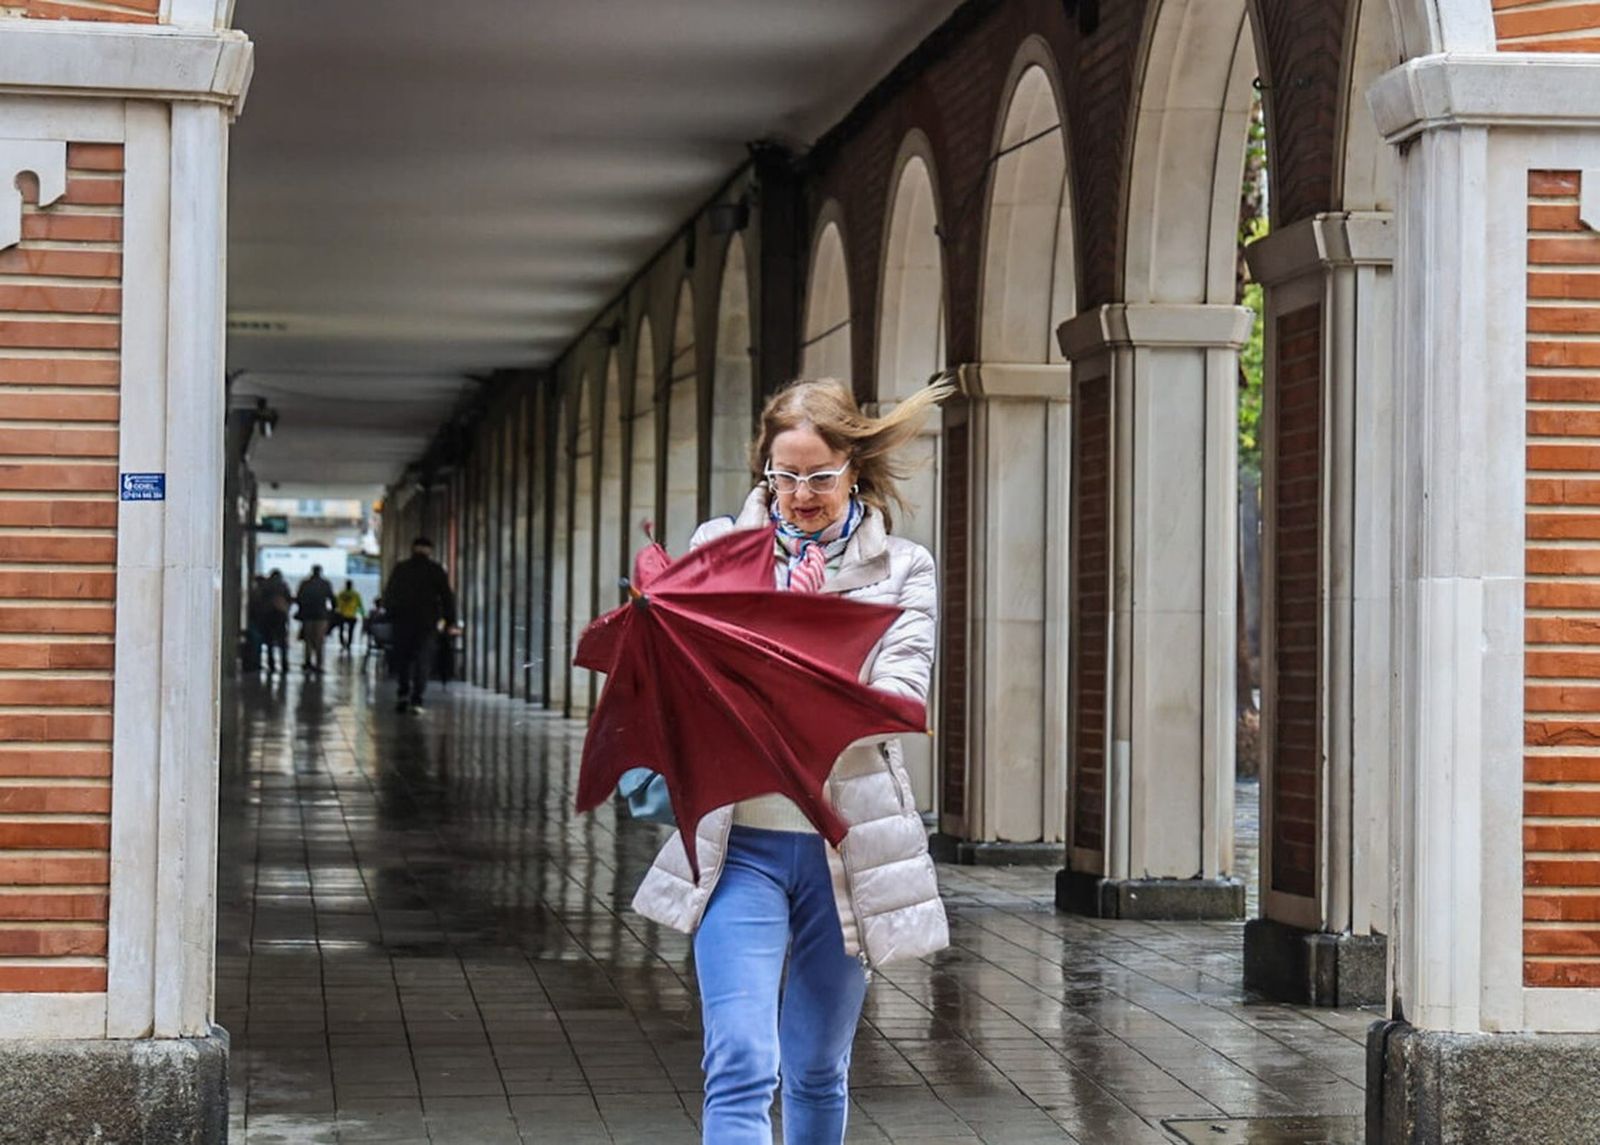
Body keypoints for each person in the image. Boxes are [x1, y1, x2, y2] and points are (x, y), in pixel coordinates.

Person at [630, 377, 951, 1144]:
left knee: (815, 1066)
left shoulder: (903, 568)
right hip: (737, 844)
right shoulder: (718, 550)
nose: (800, 494)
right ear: (763, 471)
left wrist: (781, 669)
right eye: (785, 474)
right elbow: (681, 677)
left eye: (819, 475)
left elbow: (899, 697)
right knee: (740, 1057)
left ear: (853, 470)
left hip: (845, 850)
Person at [382, 537, 457, 713]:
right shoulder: (436, 570)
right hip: (427, 623)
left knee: (404, 659)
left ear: (412, 549)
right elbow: (447, 596)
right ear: (429, 550)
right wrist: (449, 620)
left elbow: (390, 594)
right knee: (423, 660)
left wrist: (391, 614)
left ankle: (403, 693)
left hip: (403, 622)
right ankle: (417, 698)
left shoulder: (401, 569)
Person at [294, 565, 337, 675]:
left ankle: (307, 662)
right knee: (319, 641)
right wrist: (332, 612)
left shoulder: (305, 583)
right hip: (321, 616)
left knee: (308, 640)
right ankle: (319, 664)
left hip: (307, 615)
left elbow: (298, 598)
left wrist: (302, 609)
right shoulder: (325, 584)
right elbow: (332, 599)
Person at [260, 570, 292, 675]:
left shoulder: (266, 586)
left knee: (269, 641)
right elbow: (289, 599)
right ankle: (284, 664)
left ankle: (271, 664)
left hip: (267, 615)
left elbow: (260, 599)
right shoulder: (283, 585)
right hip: (280, 615)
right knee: (282, 642)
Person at [334, 579, 365, 651]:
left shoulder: (341, 593)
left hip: (342, 615)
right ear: (352, 586)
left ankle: (342, 642)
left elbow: (336, 604)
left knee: (341, 630)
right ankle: (349, 644)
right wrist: (363, 615)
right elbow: (360, 605)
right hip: (352, 615)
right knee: (351, 631)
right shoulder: (356, 594)